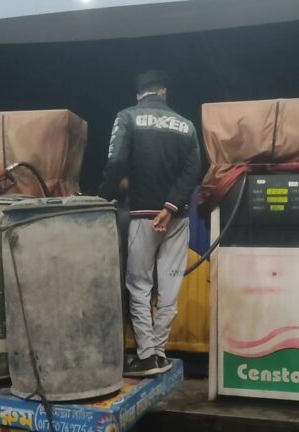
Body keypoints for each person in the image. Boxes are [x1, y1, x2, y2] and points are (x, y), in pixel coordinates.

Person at [98, 70, 201, 377]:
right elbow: (193, 171)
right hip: (178, 218)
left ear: (138, 94)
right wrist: (171, 206)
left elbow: (116, 162)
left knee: (139, 284)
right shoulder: (186, 125)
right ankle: (159, 351)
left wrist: (101, 198)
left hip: (142, 215)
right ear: (164, 92)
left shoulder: (127, 117)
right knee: (170, 286)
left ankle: (146, 356)